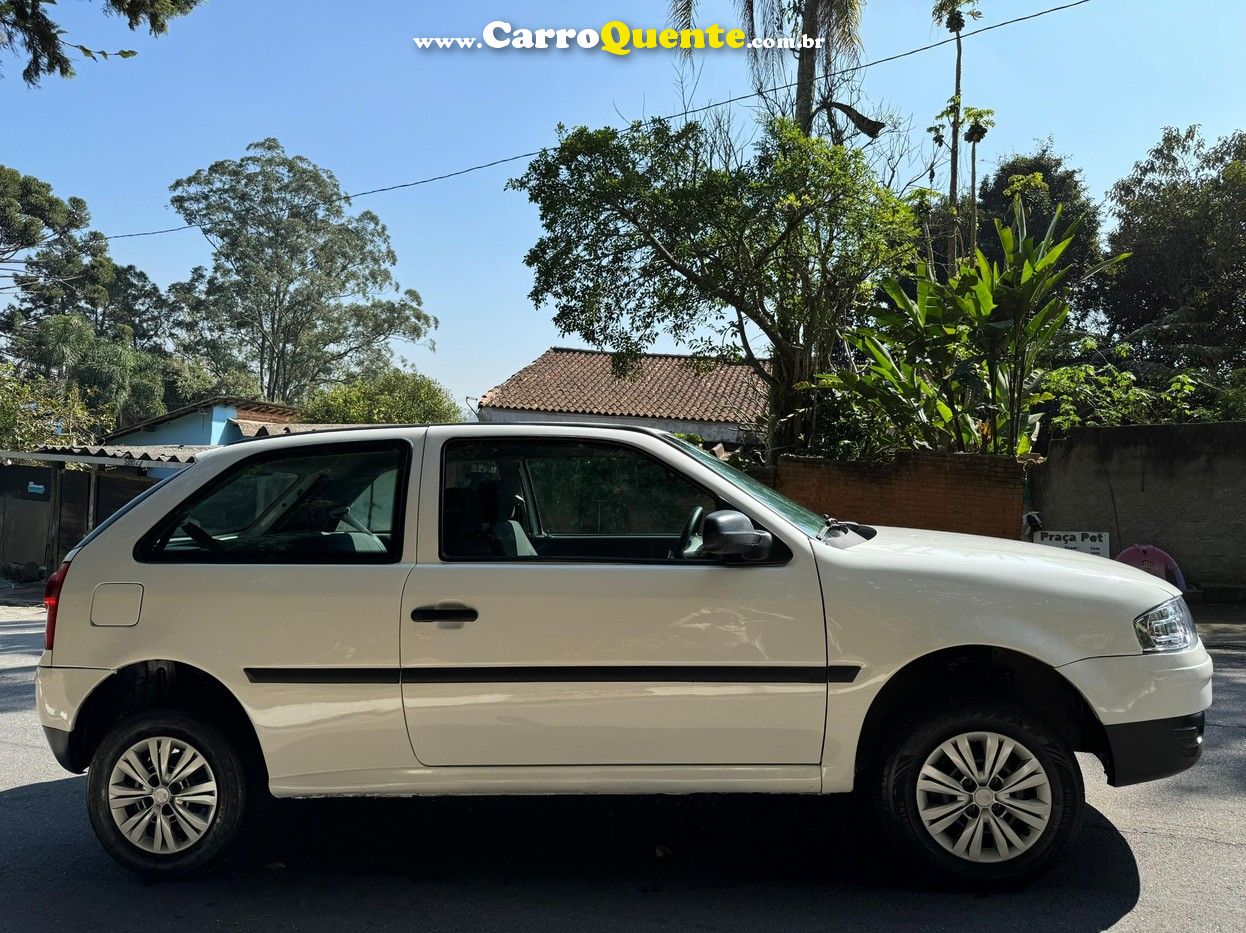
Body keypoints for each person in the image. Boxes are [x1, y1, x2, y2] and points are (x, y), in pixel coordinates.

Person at [1116, 544, 1187, 591]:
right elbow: (1175, 568)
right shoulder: (1161, 555)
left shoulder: (1126, 555)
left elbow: (1114, 567)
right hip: (1157, 590)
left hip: (1141, 589)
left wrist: (1182, 587)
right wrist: (1182, 587)